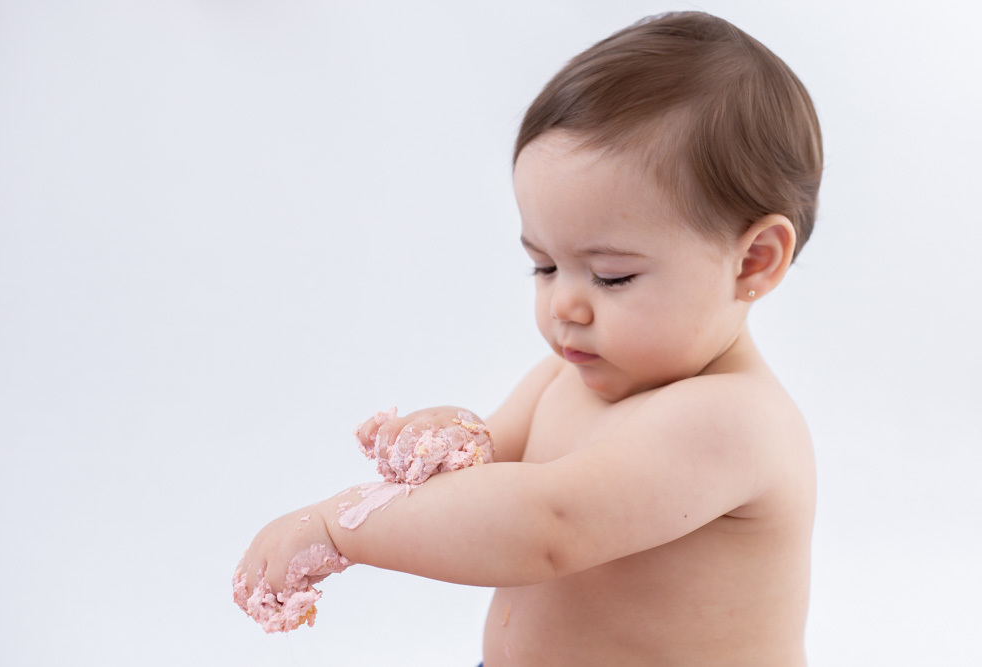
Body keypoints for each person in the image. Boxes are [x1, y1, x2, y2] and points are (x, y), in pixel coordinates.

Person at [236, 10, 822, 665]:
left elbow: (543, 527)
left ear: (753, 261)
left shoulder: (734, 420)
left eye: (611, 275)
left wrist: (343, 525)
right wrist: (452, 436)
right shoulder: (566, 379)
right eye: (543, 266)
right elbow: (488, 477)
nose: (563, 303)